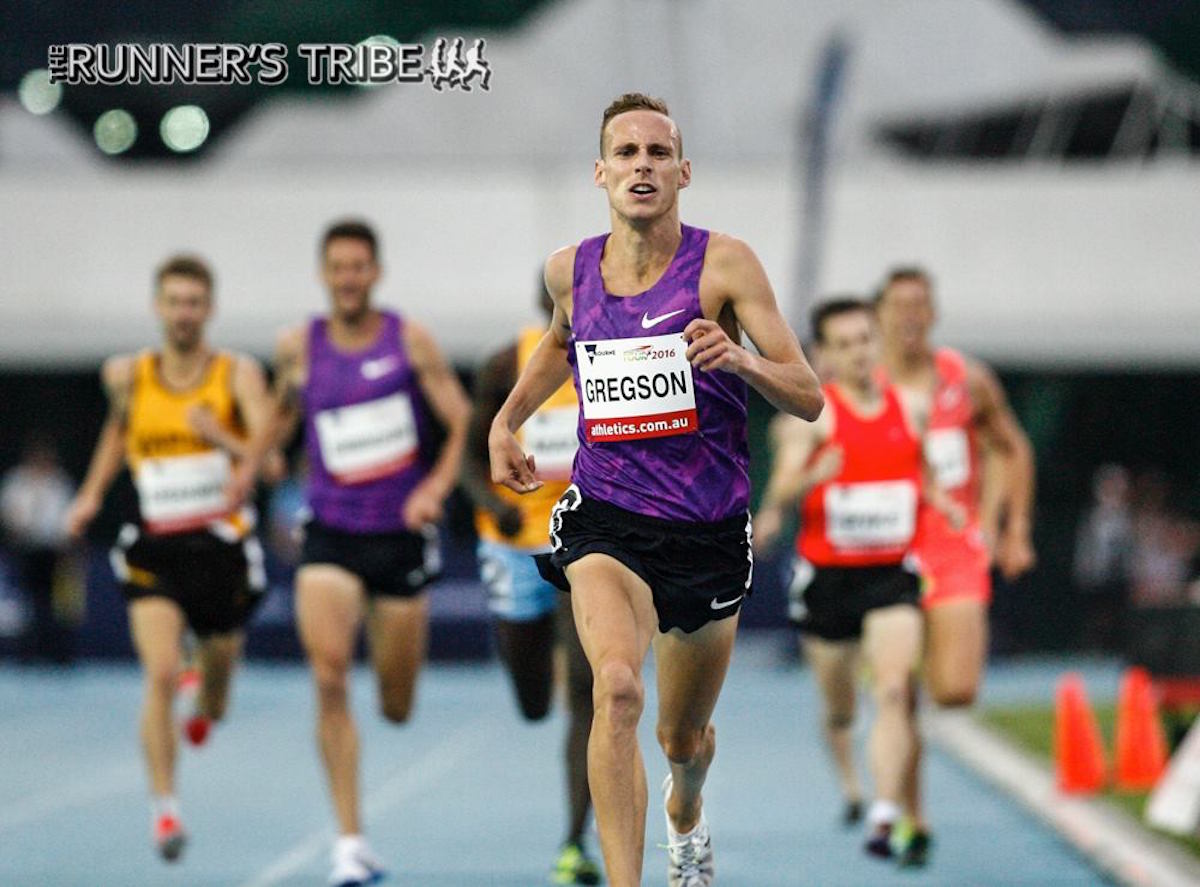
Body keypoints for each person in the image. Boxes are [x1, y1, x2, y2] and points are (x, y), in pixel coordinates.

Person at [488, 93, 822, 887]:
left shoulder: (725, 264)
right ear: (601, 173)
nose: (643, 166)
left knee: (682, 737)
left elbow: (808, 394)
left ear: (683, 171)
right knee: (616, 687)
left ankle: (686, 808)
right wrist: (506, 421)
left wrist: (740, 360)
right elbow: (560, 343)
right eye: (626, 153)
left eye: (657, 153)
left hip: (706, 531)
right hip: (607, 517)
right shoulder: (570, 268)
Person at [231, 219, 470, 887]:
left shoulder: (410, 340)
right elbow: (280, 415)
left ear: (376, 272)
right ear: (324, 273)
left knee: (396, 703)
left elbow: (463, 423)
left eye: (359, 266)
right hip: (330, 533)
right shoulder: (298, 346)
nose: (348, 277)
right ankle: (350, 840)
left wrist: (435, 485)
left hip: (399, 537)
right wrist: (247, 466)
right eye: (338, 266)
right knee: (330, 676)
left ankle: (388, 717)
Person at [62, 255, 277, 862]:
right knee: (157, 674)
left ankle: (204, 701)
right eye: (173, 301)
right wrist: (90, 495)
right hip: (155, 543)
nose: (183, 313)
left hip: (222, 549)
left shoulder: (236, 376)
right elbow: (117, 430)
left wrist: (222, 438)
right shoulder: (129, 376)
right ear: (158, 307)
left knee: (215, 694)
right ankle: (166, 811)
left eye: (193, 303)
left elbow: (273, 460)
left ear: (208, 310)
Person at [754, 297, 962, 862]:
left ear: (878, 341)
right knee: (843, 709)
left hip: (892, 574)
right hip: (830, 582)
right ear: (823, 355)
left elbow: (924, 471)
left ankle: (885, 813)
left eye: (865, 339)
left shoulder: (913, 406)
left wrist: (943, 502)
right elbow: (778, 493)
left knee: (895, 689)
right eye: (843, 344)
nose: (857, 352)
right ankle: (851, 777)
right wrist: (801, 486)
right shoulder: (812, 417)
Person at [875, 266, 1036, 864]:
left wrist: (1008, 526)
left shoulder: (966, 379)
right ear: (881, 315)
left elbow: (1012, 447)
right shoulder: (861, 382)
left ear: (933, 313)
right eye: (899, 305)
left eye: (921, 304)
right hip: (884, 554)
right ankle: (914, 818)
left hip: (954, 546)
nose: (910, 315)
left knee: (955, 691)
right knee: (900, 694)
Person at [461, 277, 600, 885]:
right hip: (515, 545)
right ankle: (535, 665)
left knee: (589, 693)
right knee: (535, 701)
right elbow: (468, 457)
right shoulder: (505, 362)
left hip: (588, 543)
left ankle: (575, 842)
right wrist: (492, 507)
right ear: (546, 304)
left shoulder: (614, 360)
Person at [0, 435, 76, 663]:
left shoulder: (60, 482)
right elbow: (8, 513)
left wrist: (67, 544)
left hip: (53, 551)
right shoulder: (16, 481)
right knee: (27, 602)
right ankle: (27, 654)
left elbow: (67, 516)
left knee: (57, 604)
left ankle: (56, 654)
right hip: (25, 549)